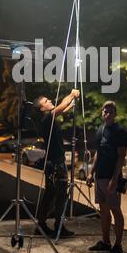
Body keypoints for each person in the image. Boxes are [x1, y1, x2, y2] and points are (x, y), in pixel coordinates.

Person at [33, 89, 80, 238]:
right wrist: (72, 94)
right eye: (46, 102)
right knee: (60, 196)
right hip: (56, 164)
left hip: (52, 163)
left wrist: (71, 103)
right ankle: (59, 227)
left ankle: (41, 225)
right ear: (42, 109)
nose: (50, 101)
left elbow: (62, 109)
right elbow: (60, 107)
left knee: (50, 194)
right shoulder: (47, 119)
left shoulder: (49, 119)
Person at [87, 101, 127, 253]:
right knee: (103, 211)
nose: (108, 114)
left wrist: (115, 179)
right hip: (100, 177)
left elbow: (121, 157)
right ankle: (105, 242)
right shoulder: (100, 130)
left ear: (115, 113)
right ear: (102, 113)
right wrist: (91, 172)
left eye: (111, 111)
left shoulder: (120, 131)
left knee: (115, 210)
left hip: (112, 178)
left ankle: (118, 246)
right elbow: (98, 153)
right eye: (105, 111)